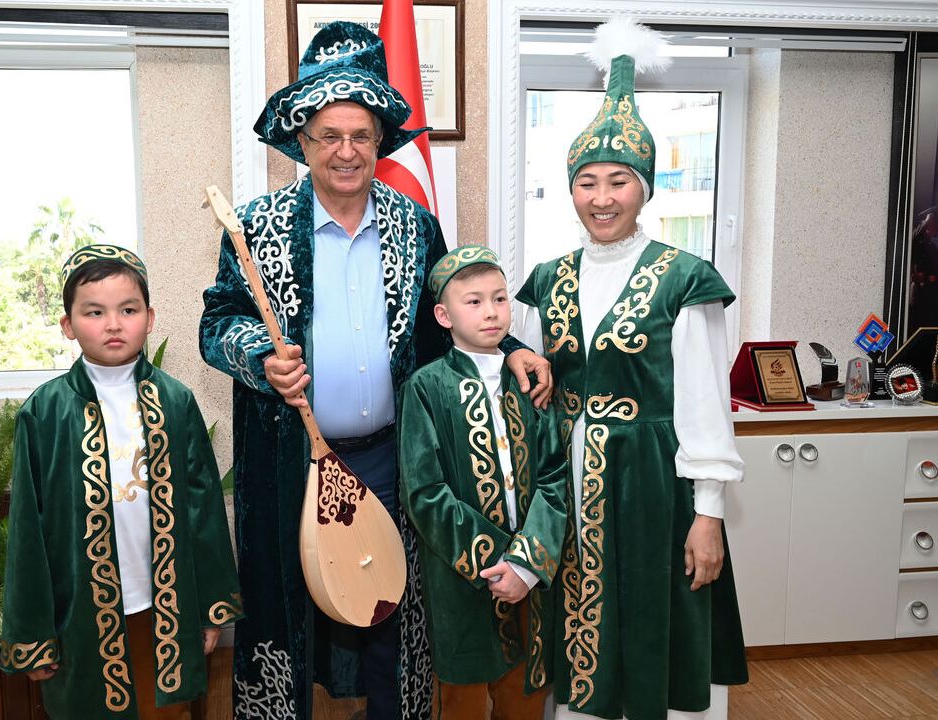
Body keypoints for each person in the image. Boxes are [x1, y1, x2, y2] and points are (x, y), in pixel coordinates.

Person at [199, 21, 552, 720]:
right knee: (291, 614)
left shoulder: (413, 226)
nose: (346, 150)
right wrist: (260, 357)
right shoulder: (255, 227)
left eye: (360, 135)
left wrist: (512, 348)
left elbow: (449, 314)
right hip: (291, 462)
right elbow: (218, 323)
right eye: (329, 135)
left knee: (394, 612)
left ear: (381, 140)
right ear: (302, 142)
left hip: (394, 459)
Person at [512, 19, 748, 720]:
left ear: (644, 189)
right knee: (578, 634)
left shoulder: (683, 278)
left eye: (619, 181)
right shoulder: (548, 277)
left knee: (659, 622)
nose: (602, 197)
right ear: (571, 191)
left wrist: (708, 515)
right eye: (587, 182)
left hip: (654, 486)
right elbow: (537, 380)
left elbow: (705, 404)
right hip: (568, 488)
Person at [2, 245, 243, 720]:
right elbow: (27, 532)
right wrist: (33, 635)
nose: (113, 324)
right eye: (95, 312)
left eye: (128, 310)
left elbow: (204, 512)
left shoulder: (176, 401)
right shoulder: (44, 413)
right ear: (68, 325)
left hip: (164, 610)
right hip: (78, 617)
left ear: (149, 319)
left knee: (164, 712)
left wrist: (210, 607)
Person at [398, 246, 570, 719]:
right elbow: (424, 493)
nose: (491, 312)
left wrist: (527, 564)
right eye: (473, 301)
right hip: (460, 582)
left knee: (525, 697)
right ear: (444, 315)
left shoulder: (531, 383)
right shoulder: (426, 388)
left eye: (499, 298)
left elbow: (555, 477)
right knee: (463, 701)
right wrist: (496, 560)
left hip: (531, 579)